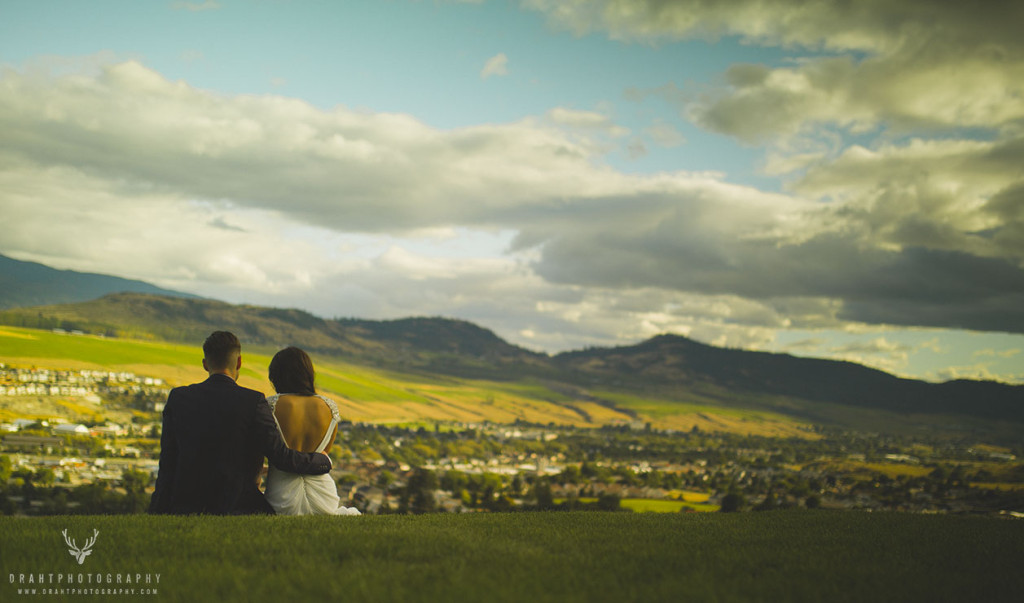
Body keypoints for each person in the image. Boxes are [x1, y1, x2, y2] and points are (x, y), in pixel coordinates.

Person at [149, 332, 332, 515]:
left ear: (205, 364)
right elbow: (281, 457)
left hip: (185, 506)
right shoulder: (253, 401)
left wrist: (157, 510)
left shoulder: (179, 398)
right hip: (237, 506)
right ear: (239, 362)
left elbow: (167, 463)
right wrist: (321, 461)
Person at [263, 346, 360, 516]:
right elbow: (323, 454)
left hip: (282, 495)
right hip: (324, 495)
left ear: (276, 376)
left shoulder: (270, 405)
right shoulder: (329, 407)